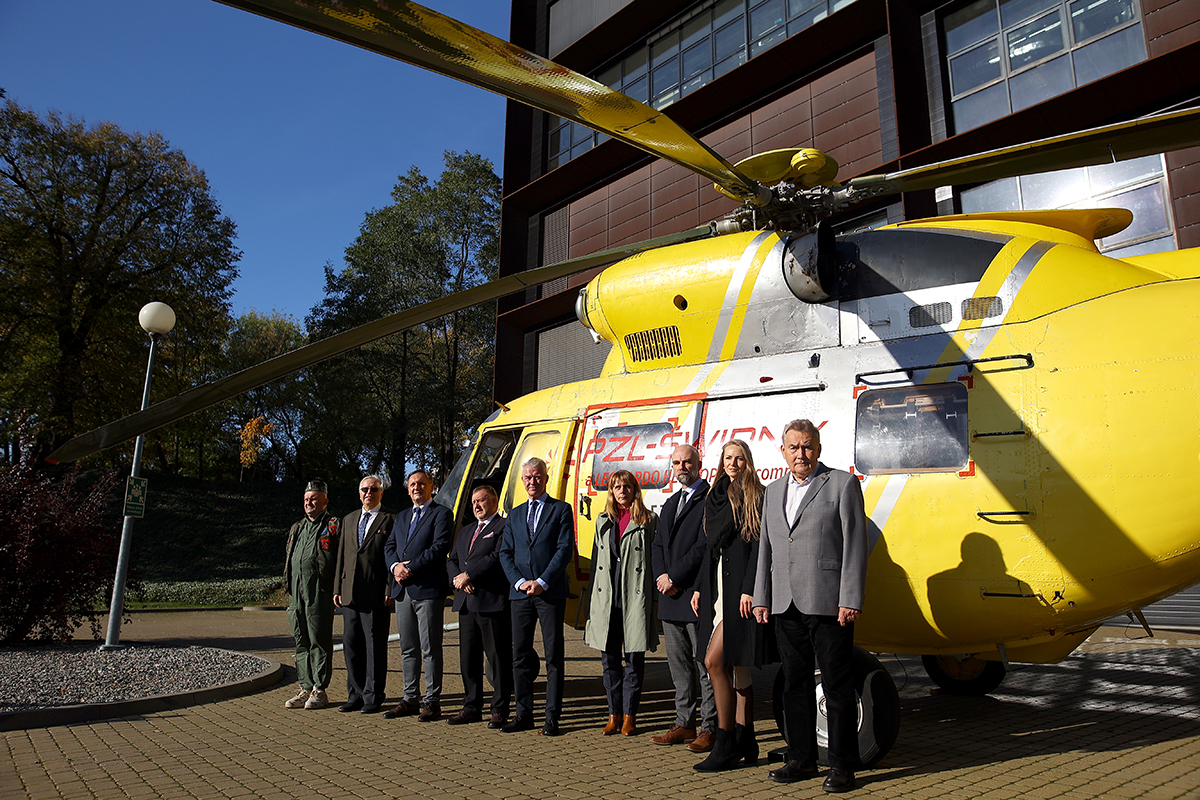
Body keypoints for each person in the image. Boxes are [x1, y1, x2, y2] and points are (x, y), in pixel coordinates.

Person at [753, 420, 868, 793]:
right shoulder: (772, 492)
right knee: (794, 685)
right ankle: (800, 757)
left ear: (817, 449)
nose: (800, 454)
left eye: (807, 447)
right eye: (793, 448)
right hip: (785, 603)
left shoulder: (841, 484)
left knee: (836, 687)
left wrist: (850, 598)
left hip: (828, 603)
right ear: (783, 452)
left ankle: (842, 766)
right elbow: (766, 549)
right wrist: (762, 596)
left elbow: (855, 544)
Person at [690, 439, 774, 771]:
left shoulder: (756, 493)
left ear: (748, 462)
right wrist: (699, 588)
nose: (733, 464)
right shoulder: (716, 496)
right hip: (716, 589)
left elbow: (760, 545)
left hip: (740, 592)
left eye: (739, 459)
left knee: (714, 663)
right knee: (737, 668)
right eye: (728, 458)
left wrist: (751, 588)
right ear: (721, 461)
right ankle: (746, 741)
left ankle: (724, 742)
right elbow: (708, 548)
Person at [649, 444, 717, 751]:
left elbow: (705, 546)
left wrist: (675, 578)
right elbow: (658, 545)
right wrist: (662, 578)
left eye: (687, 462)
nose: (681, 467)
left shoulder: (711, 499)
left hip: (693, 595)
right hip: (670, 598)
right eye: (676, 462)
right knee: (679, 667)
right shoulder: (671, 501)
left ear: (699, 464)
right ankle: (684, 723)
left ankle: (710, 727)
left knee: (704, 665)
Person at [499, 457, 574, 736]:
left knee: (554, 655)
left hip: (549, 592)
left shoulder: (560, 510)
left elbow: (564, 549)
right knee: (520, 655)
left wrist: (542, 581)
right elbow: (505, 553)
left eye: (537, 477)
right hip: (520, 595)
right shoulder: (514, 514)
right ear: (523, 480)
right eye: (528, 478)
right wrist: (519, 582)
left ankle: (552, 717)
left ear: (546, 478)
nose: (533, 482)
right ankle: (523, 714)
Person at [584, 470, 658, 736]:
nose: (622, 491)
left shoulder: (648, 520)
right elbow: (596, 564)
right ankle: (613, 715)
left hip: (635, 600)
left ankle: (630, 717)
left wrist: (654, 601)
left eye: (626, 486)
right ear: (611, 492)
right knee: (609, 661)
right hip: (607, 599)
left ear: (634, 490)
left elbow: (654, 562)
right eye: (617, 487)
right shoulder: (603, 521)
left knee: (634, 661)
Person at [383, 469, 453, 722]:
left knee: (430, 648)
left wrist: (410, 568)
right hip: (402, 592)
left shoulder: (442, 514)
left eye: (421, 484)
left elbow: (439, 548)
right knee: (407, 648)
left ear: (431, 486)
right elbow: (390, 547)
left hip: (427, 591)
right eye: (412, 484)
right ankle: (409, 698)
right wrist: (395, 567)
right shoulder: (401, 517)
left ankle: (432, 702)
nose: (416, 488)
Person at [445, 485, 513, 728]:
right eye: (474, 502)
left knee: (497, 658)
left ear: (494, 502)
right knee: (468, 659)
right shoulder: (466, 531)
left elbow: (497, 557)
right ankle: (471, 706)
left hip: (491, 602)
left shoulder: (503, 527)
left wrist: (470, 575)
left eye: (482, 500)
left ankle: (500, 709)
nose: (476, 505)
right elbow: (452, 560)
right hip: (466, 603)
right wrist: (458, 579)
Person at [333, 475, 396, 714]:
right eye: (364, 489)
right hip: (349, 594)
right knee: (351, 646)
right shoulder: (348, 519)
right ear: (359, 493)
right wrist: (337, 588)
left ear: (381, 492)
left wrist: (390, 589)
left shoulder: (391, 519)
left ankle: (373, 695)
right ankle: (355, 694)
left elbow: (393, 556)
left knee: (375, 648)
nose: (369, 493)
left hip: (376, 594)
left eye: (374, 489)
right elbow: (341, 555)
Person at [283, 479, 340, 710]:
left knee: (319, 640)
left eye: (314, 499)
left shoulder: (333, 525)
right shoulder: (297, 528)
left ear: (325, 501)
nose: (309, 503)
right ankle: (304, 687)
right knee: (301, 640)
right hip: (296, 593)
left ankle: (319, 689)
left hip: (319, 591)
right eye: (306, 499)